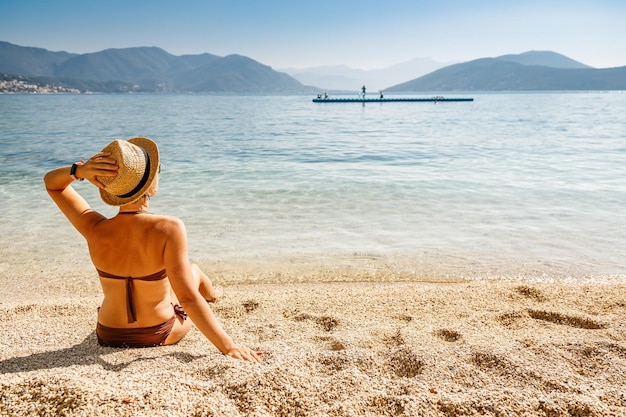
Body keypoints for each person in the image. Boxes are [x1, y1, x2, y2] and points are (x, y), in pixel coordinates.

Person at [44, 137, 262, 362]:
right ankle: (213, 296)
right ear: (150, 184)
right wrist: (229, 347)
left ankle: (210, 296)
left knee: (170, 280)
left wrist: (79, 170)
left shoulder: (93, 227)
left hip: (108, 333)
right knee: (192, 271)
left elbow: (52, 184)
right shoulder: (169, 227)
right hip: (157, 332)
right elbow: (187, 298)